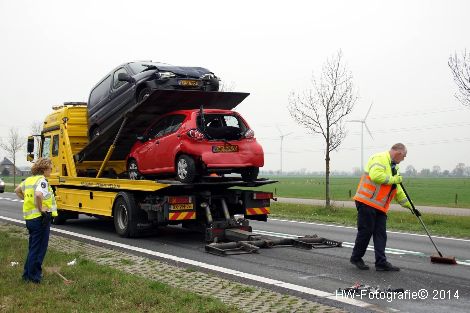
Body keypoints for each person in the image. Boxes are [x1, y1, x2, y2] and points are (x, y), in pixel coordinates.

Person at [350, 143, 412, 271]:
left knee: (380, 234)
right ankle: (356, 258)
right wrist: (395, 180)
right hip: (366, 201)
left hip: (380, 206)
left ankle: (381, 263)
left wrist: (410, 206)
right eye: (404, 156)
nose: (404, 159)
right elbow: (376, 176)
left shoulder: (394, 167)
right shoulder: (379, 158)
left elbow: (397, 189)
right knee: (365, 232)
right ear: (398, 153)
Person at [15, 157, 57, 283]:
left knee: (33, 248)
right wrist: (41, 209)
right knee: (39, 249)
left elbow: (17, 190)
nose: (51, 170)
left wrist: (28, 201)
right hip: (40, 219)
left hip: (30, 219)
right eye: (50, 168)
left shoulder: (29, 180)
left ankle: (27, 275)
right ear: (44, 169)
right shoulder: (42, 180)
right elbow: (39, 195)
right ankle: (34, 277)